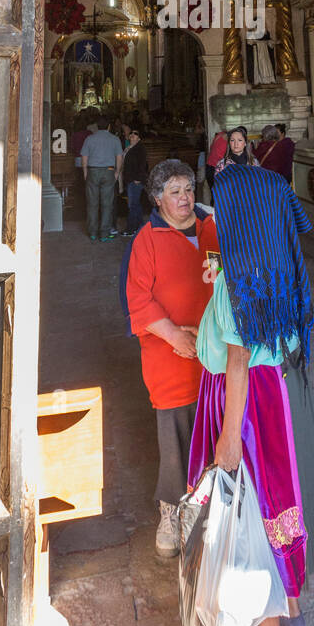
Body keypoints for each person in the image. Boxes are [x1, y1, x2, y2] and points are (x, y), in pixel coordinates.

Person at [188, 162, 314, 626]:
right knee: (282, 500)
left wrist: (228, 438)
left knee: (250, 506)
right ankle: (291, 603)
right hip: (282, 399)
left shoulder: (238, 281)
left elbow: (238, 362)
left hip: (244, 405)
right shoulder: (284, 265)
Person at [121, 160, 220, 556]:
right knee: (176, 434)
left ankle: (214, 506)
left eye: (189, 190)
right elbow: (138, 299)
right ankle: (171, 511)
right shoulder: (147, 239)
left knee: (215, 427)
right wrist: (175, 335)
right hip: (170, 354)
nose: (185, 198)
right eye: (175, 192)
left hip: (213, 349)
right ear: (158, 198)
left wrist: (211, 332)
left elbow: (224, 280)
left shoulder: (211, 228)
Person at [80, 117, 123, 243]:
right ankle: (104, 234)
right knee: (107, 204)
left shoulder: (90, 139)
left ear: (97, 127)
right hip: (109, 171)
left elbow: (84, 158)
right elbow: (119, 158)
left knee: (92, 203)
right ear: (109, 126)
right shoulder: (114, 139)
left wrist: (85, 173)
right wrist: (116, 172)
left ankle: (92, 232)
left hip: (93, 171)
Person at [122, 127, 148, 236]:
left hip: (135, 180)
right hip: (130, 179)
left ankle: (130, 229)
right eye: (131, 133)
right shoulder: (129, 148)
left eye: (135, 133)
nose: (133, 134)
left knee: (132, 205)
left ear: (139, 138)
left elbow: (143, 164)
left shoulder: (139, 148)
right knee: (135, 204)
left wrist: (138, 178)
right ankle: (141, 227)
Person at [206, 127, 228, 203]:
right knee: (219, 196)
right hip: (216, 169)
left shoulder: (219, 135)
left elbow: (211, 149)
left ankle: (214, 212)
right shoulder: (227, 140)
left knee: (214, 195)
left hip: (209, 167)